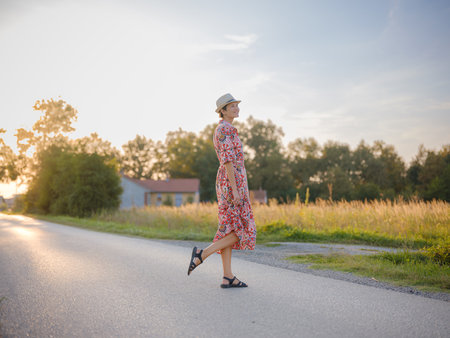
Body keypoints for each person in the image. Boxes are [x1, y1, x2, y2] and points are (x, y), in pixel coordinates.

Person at [187, 93, 257, 288]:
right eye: (232, 106)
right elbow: (227, 161)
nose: (236, 108)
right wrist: (235, 190)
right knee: (243, 228)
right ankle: (203, 254)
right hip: (231, 183)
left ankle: (228, 276)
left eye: (236, 105)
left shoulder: (227, 129)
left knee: (229, 228)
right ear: (223, 111)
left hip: (231, 181)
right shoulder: (225, 130)